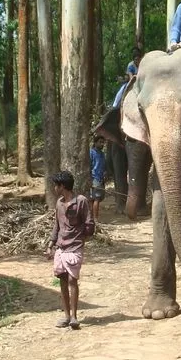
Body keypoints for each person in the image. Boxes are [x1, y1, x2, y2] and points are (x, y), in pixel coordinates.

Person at [46, 171, 95, 330]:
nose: (54, 188)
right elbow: (57, 225)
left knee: (73, 280)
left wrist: (83, 235)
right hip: (61, 247)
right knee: (62, 280)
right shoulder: (59, 203)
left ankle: (74, 316)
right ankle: (67, 316)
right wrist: (51, 244)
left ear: (62, 186)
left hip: (75, 247)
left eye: (56, 185)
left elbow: (89, 224)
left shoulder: (81, 201)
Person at [89, 137, 106, 221]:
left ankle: (92, 217)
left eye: (103, 142)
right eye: (100, 142)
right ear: (95, 143)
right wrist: (89, 179)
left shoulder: (102, 154)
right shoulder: (91, 153)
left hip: (100, 178)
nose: (102, 144)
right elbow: (88, 166)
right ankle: (95, 218)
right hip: (94, 178)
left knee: (96, 198)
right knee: (96, 199)